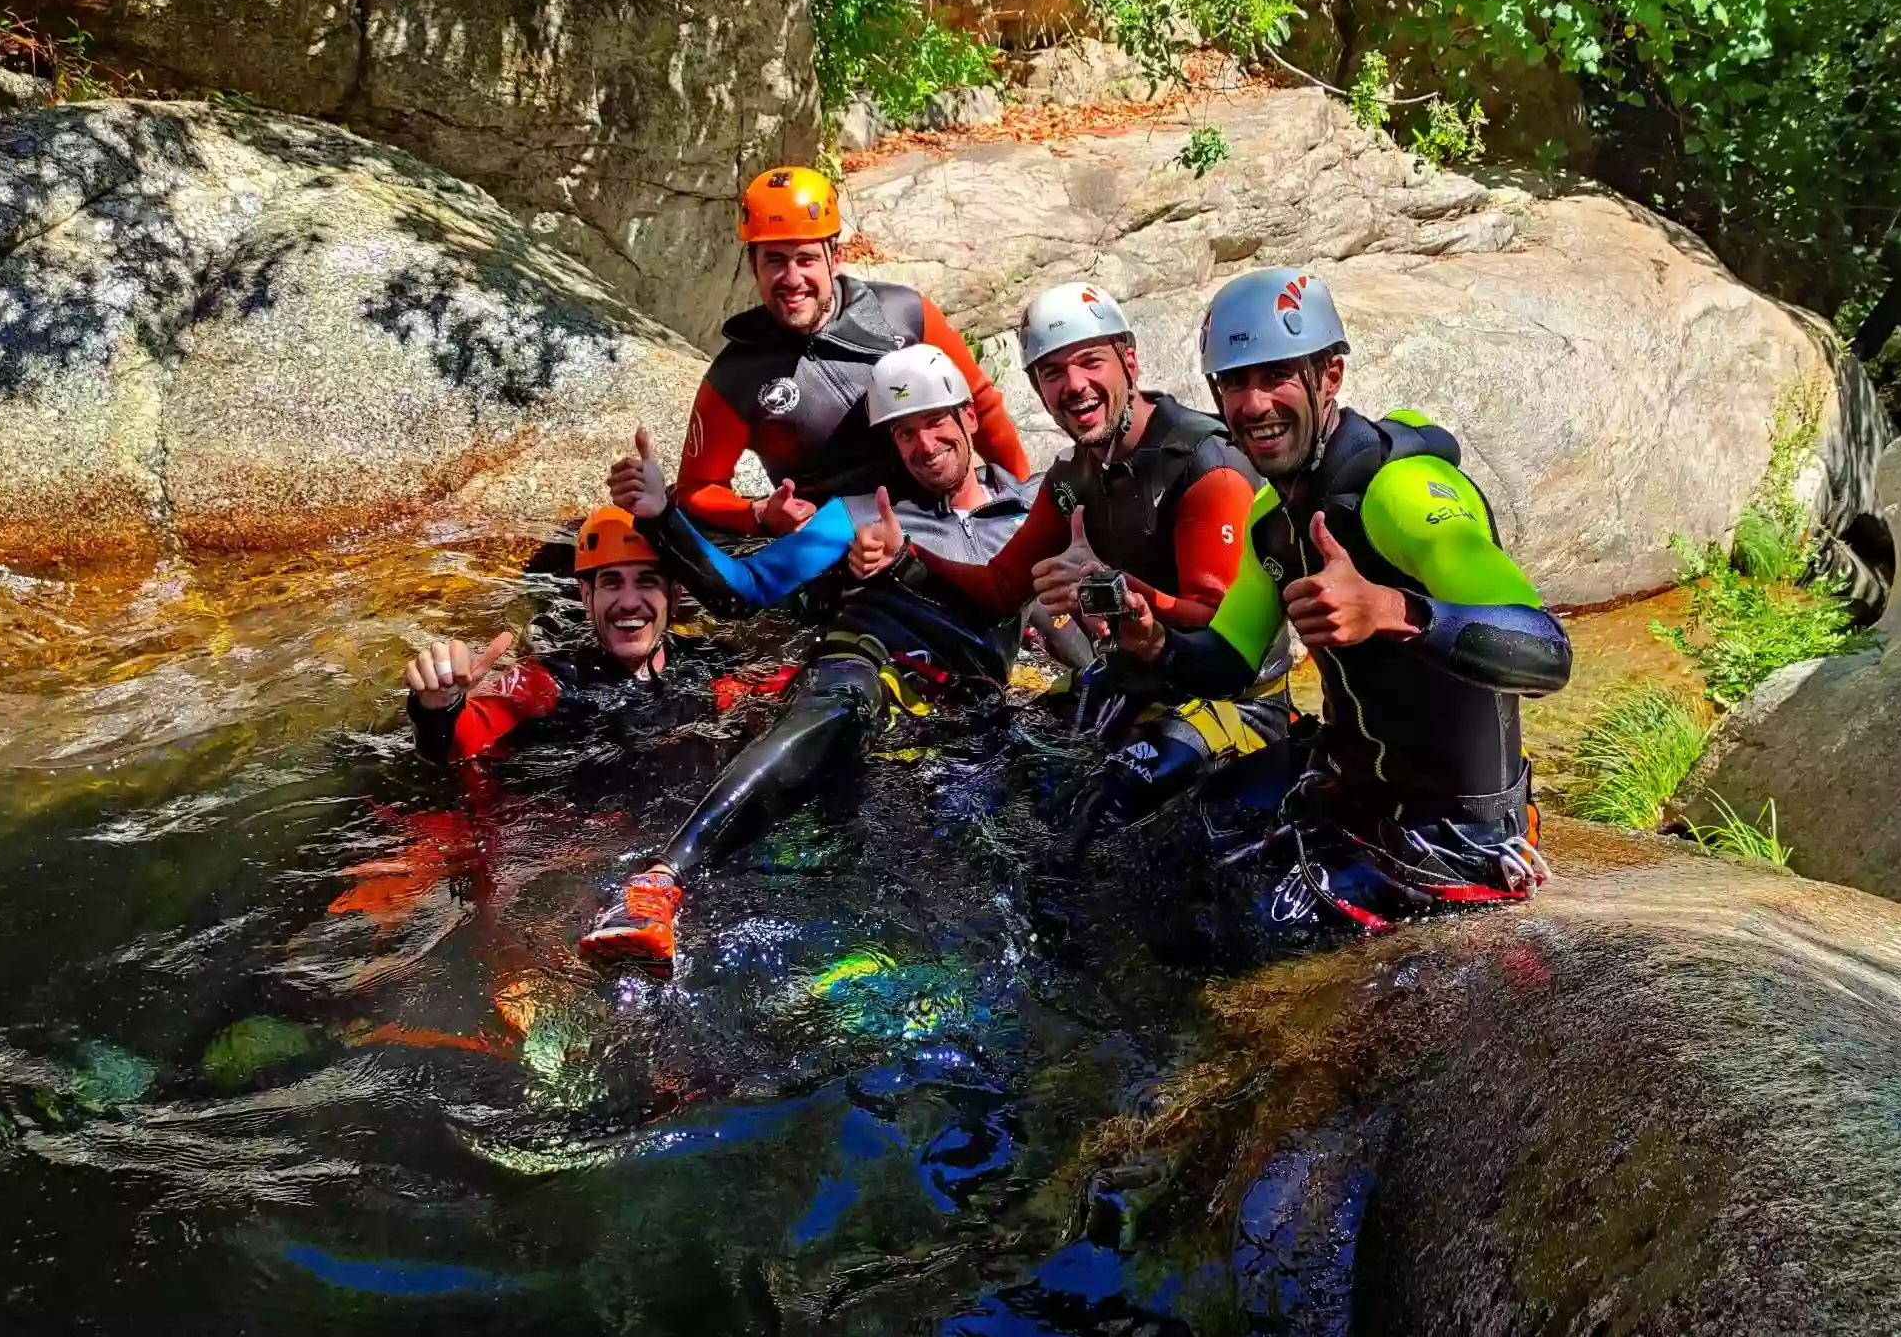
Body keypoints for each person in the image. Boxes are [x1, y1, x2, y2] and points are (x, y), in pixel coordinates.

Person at [1110, 267, 1573, 930]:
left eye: (1275, 375)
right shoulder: (1273, 515)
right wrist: (1157, 642)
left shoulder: (1400, 492)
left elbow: (1548, 652)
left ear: (1329, 375)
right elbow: (1228, 662)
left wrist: (1392, 611)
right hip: (1346, 783)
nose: (1253, 404)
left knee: (1228, 933)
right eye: (1234, 382)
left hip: (1451, 829)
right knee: (1164, 848)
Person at [578, 344, 1055, 966]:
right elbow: (744, 591)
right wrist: (665, 515)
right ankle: (657, 883)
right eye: (903, 433)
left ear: (969, 416)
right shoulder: (856, 518)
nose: (923, 444)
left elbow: (1052, 603)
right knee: (845, 701)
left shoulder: (1035, 508)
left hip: (955, 709)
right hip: (863, 665)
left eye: (934, 421)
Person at [849, 284, 1293, 847]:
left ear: (1129, 361)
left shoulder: (1204, 463)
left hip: (1234, 703)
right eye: (1053, 372)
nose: (1074, 386)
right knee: (981, 771)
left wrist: (1116, 591)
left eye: (1090, 362)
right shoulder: (1072, 477)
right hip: (1133, 685)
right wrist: (907, 558)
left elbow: (1219, 626)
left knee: (1093, 821)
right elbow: (1000, 588)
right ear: (1036, 387)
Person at [674, 165, 1029, 536]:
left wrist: (1021, 498)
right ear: (753, 266)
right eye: (774, 260)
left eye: (807, 259)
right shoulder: (736, 374)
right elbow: (696, 489)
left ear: (835, 256)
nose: (792, 279)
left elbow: (982, 406)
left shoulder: (905, 314)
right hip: (846, 549)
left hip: (953, 519)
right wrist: (758, 513)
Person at [402, 505, 744, 771]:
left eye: (647, 581)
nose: (628, 601)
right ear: (586, 596)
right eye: (611, 582)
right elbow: (465, 743)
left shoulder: (713, 668)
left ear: (674, 594)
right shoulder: (548, 679)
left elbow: (789, 698)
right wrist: (439, 706)